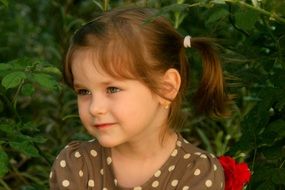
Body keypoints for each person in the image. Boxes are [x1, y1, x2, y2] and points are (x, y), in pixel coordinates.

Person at [49, 6, 229, 190]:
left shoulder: (195, 171)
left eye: (112, 89)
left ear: (166, 88)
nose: (95, 108)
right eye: (84, 92)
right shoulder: (77, 164)